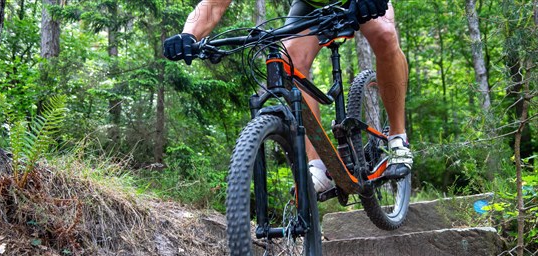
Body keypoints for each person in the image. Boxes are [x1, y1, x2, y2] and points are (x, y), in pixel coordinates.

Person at [163, 0, 412, 193]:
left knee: (384, 34)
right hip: (311, 5)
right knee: (288, 60)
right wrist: (189, 35)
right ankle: (318, 166)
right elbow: (214, 4)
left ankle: (398, 139)